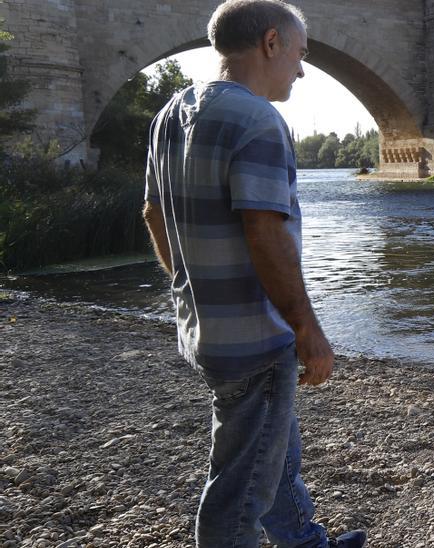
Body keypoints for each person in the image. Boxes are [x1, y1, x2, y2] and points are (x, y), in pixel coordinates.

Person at [141, 1, 364, 546]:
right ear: (271, 43)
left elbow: (152, 212)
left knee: (272, 449)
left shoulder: (171, 112)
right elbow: (265, 233)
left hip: (205, 328)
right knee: (241, 485)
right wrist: (307, 329)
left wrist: (191, 287)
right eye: (299, 54)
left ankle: (307, 543)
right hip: (256, 338)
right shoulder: (259, 120)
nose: (302, 70)